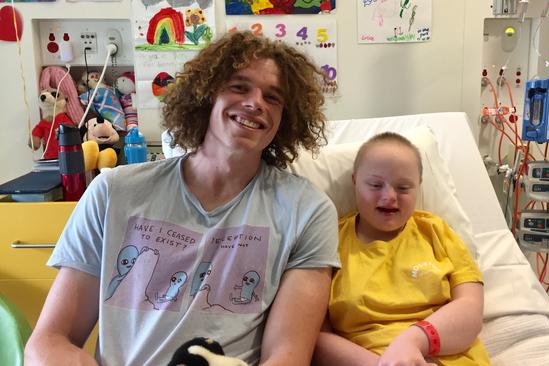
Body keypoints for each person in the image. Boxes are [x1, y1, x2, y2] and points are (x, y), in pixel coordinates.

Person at [25, 31, 340, 366]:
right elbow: (49, 342)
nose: (256, 102)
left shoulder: (307, 211)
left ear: (286, 118)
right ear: (206, 95)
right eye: (239, 86)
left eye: (273, 97)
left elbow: (288, 356)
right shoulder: (113, 192)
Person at [313, 132, 491, 366]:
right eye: (376, 185)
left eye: (403, 188)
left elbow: (470, 311)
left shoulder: (436, 232)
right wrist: (386, 364)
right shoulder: (328, 242)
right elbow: (315, 337)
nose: (389, 197)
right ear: (355, 181)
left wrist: (413, 341)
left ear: (418, 186)